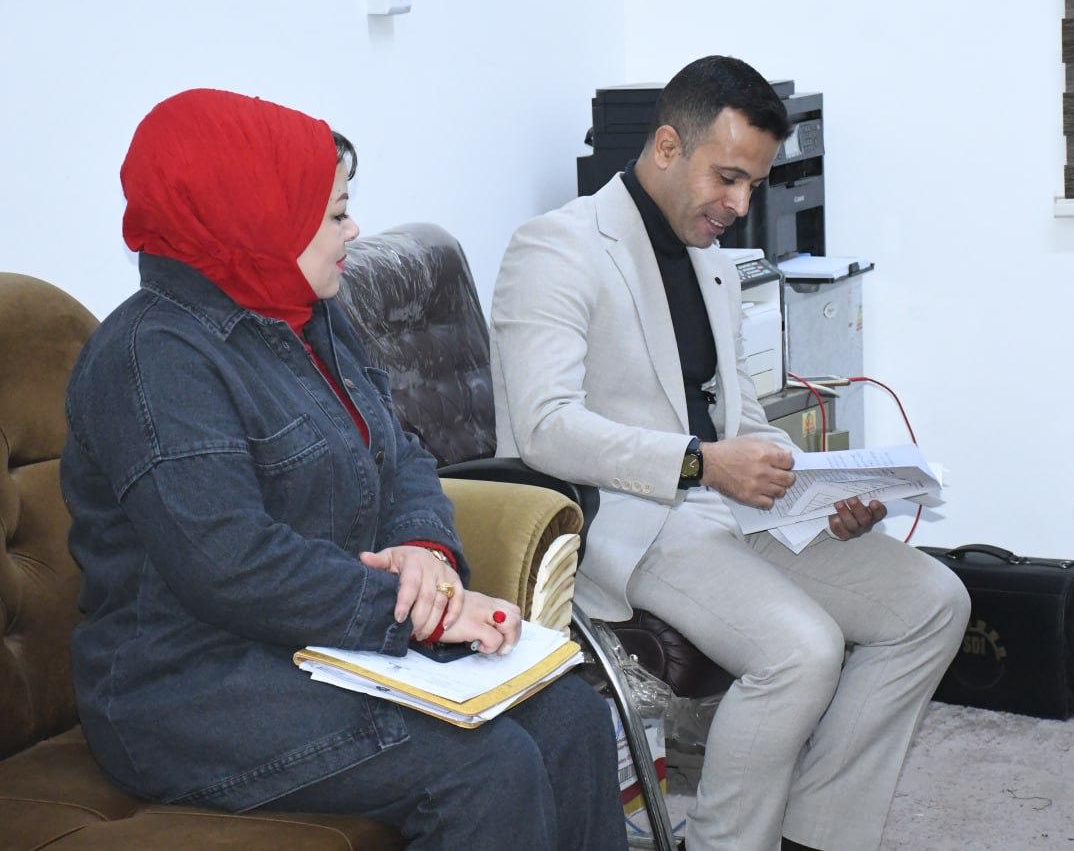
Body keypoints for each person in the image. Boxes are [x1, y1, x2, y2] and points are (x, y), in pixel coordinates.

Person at [62, 88, 626, 850]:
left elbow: (401, 449)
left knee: (574, 717)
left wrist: (425, 550)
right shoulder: (152, 358)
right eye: (333, 214)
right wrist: (412, 609)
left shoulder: (304, 314)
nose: (353, 230)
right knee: (487, 769)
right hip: (190, 688)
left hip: (321, 646)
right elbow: (229, 561)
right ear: (256, 215)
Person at [490, 56, 970, 851]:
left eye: (753, 184)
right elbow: (544, 427)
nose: (740, 206)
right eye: (728, 178)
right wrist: (700, 463)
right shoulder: (557, 247)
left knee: (933, 602)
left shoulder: (711, 263)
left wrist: (817, 488)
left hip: (727, 506)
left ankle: (815, 833)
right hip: (631, 521)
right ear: (667, 146)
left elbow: (741, 416)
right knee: (801, 650)